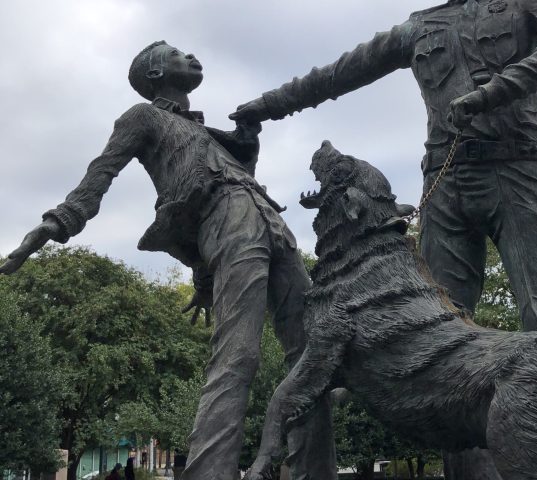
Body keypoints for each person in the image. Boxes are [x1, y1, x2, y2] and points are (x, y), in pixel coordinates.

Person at [231, 1, 537, 478]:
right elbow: (339, 73)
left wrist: (492, 94)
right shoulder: (420, 26)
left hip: (518, 171)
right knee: (436, 343)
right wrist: (267, 106)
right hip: (444, 182)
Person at [0, 41, 335, 480]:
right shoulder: (142, 118)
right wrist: (56, 224)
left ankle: (314, 470)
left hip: (269, 220)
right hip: (229, 217)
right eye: (177, 54)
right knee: (239, 353)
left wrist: (247, 146)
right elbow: (100, 174)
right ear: (155, 74)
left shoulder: (208, 131)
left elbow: (235, 173)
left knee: (315, 348)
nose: (192, 56)